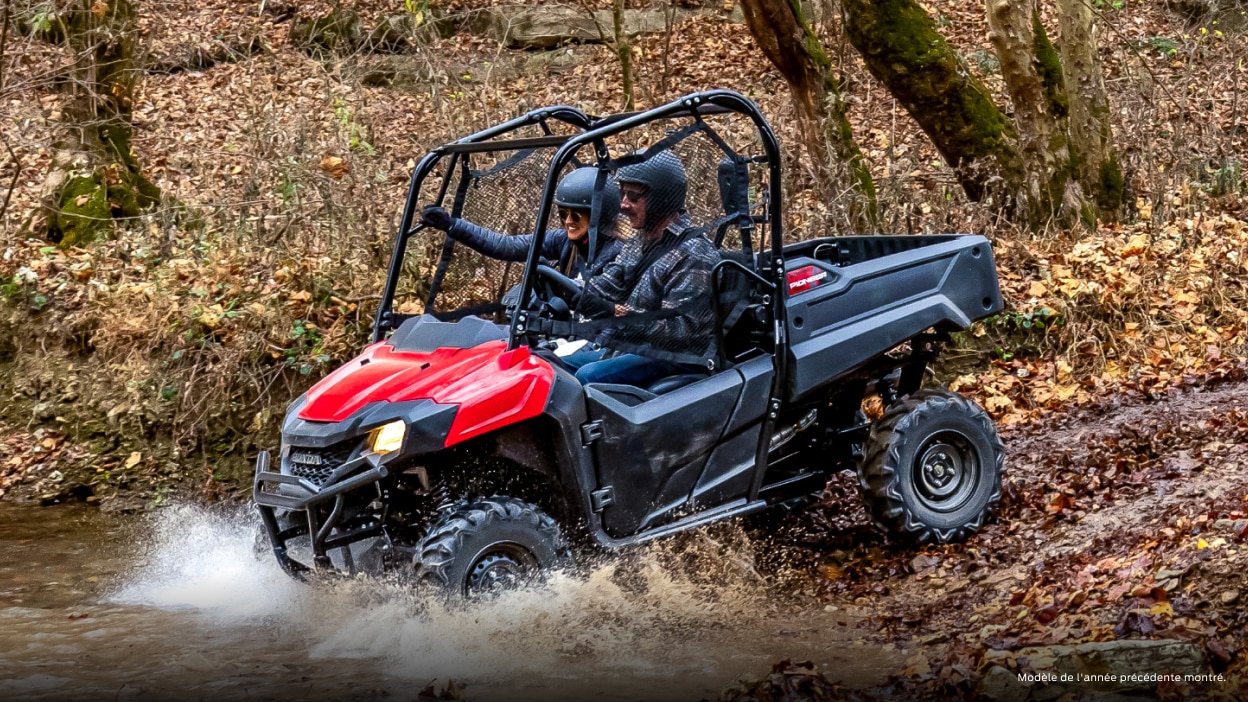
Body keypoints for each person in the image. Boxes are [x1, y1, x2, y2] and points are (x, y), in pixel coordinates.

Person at [565, 150, 720, 387]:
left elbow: (681, 331)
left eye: (633, 197)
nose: (623, 205)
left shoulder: (694, 253)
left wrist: (621, 316)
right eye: (622, 194)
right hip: (638, 347)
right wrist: (568, 292)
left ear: (662, 199)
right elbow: (610, 283)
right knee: (558, 367)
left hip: (678, 356)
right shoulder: (640, 241)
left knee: (588, 377)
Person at [420, 167, 623, 282]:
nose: (568, 221)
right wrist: (452, 225)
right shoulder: (564, 242)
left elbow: (601, 305)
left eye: (576, 216)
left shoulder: (619, 254)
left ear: (599, 215)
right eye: (563, 213)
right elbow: (506, 246)